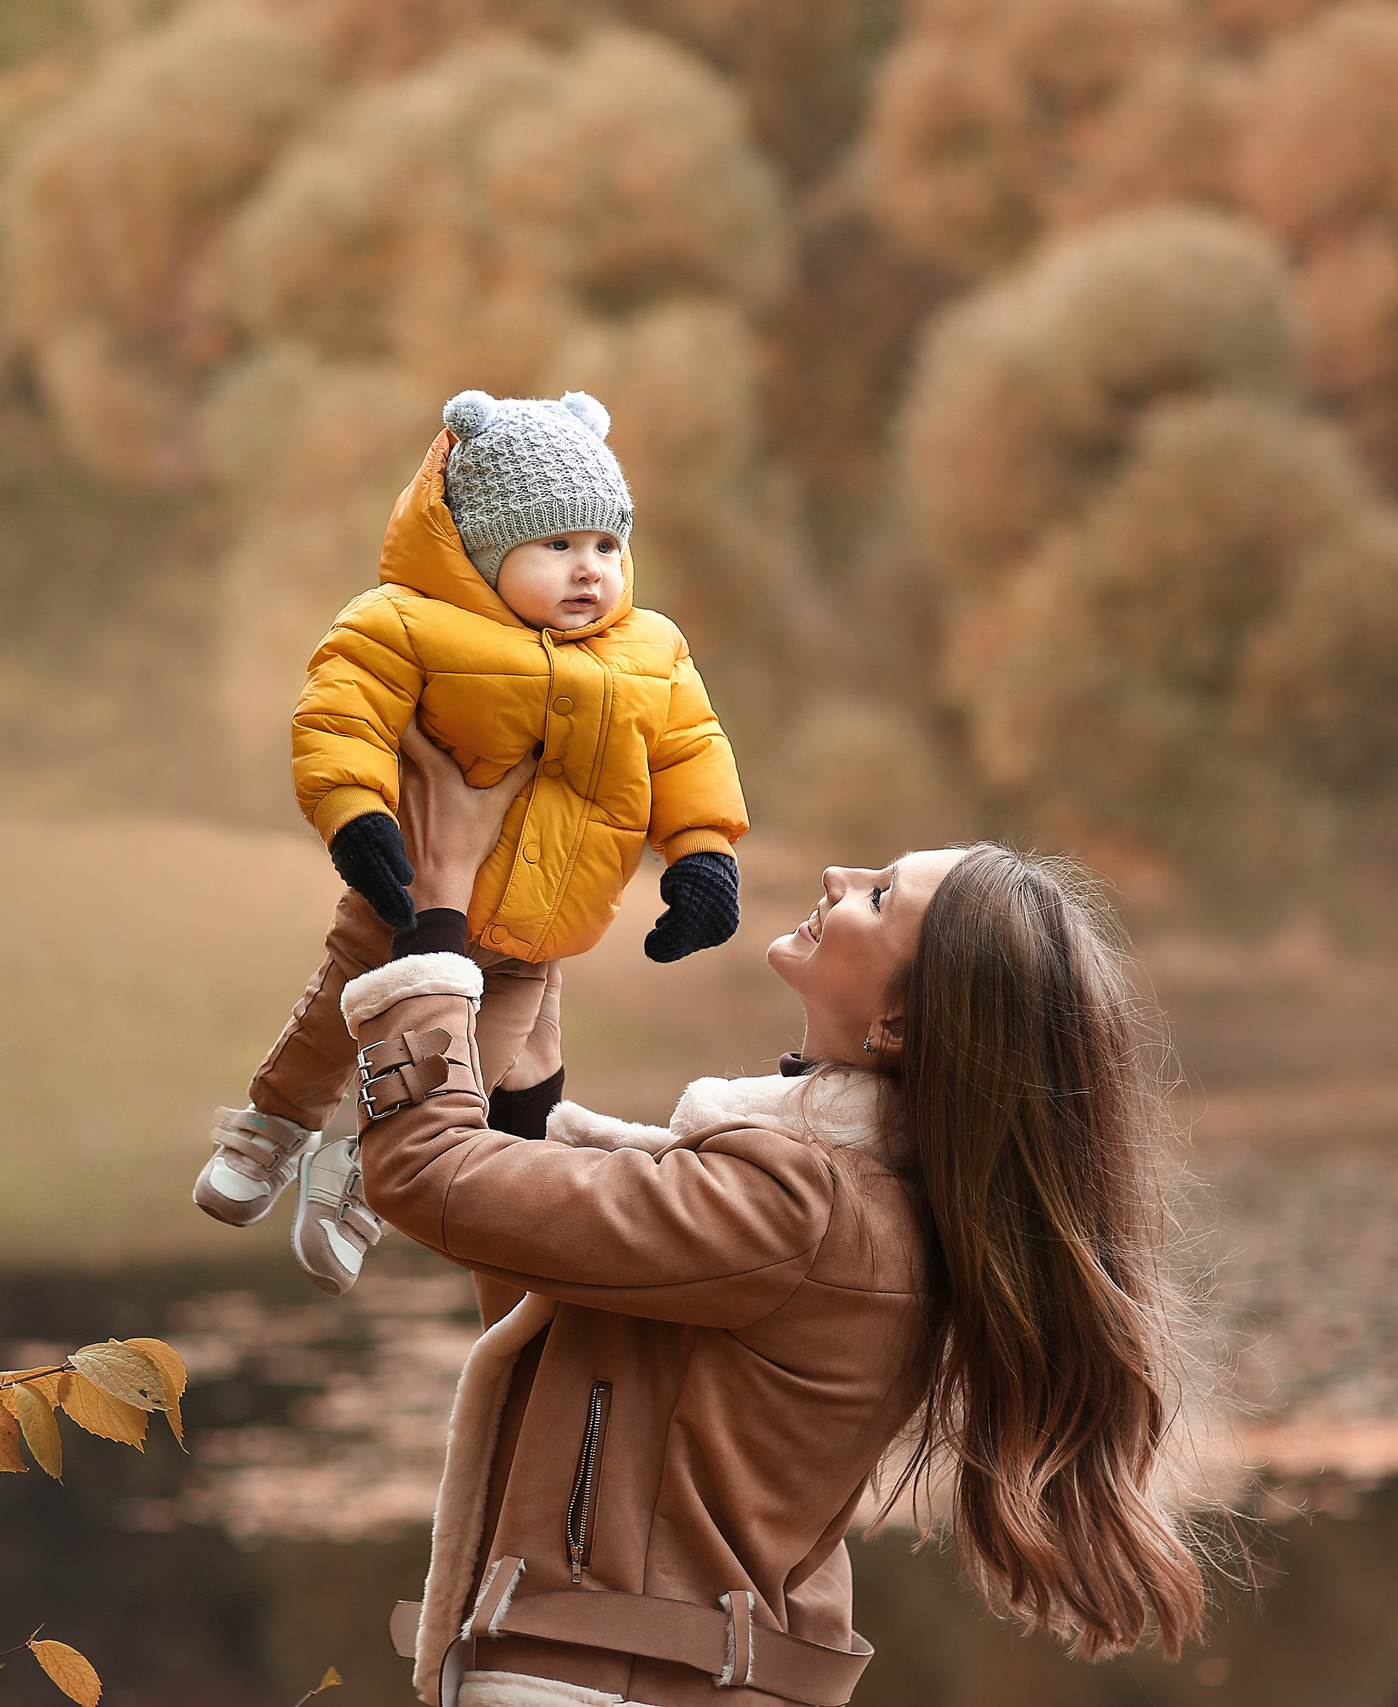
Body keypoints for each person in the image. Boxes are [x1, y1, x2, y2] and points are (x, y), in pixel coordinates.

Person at [338, 725, 1218, 1707]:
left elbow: (421, 1169)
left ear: (896, 1025)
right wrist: (521, 1079)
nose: (839, 874)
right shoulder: (843, 1201)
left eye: (879, 895)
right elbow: (555, 1303)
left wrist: (432, 919)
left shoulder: (792, 1206)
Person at [193, 389, 749, 1297]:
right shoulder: (403, 623)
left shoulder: (652, 649)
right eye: (557, 545)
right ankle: (274, 1127)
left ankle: (364, 1176)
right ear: (480, 549)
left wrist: (703, 856)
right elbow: (340, 717)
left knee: (473, 1072)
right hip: (408, 895)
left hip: (539, 931)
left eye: (606, 545)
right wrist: (358, 816)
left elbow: (691, 749)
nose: (589, 570)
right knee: (340, 1014)